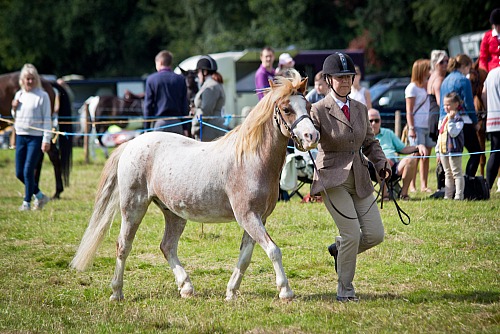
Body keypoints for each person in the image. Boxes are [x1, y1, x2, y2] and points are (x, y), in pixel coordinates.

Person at [310, 53, 390, 302]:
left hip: (359, 175)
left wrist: (381, 162)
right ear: (328, 80)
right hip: (332, 178)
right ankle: (345, 291)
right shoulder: (318, 109)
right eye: (339, 77)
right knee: (352, 234)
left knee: (375, 234)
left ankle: (340, 249)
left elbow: (369, 141)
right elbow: (306, 138)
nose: (345, 81)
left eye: (348, 77)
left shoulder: (359, 108)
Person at [11, 64, 51, 211]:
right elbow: (16, 117)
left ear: (36, 79)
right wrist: (13, 108)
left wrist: (46, 139)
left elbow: (47, 119)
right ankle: (40, 196)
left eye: (32, 78)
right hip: (21, 135)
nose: (29, 81)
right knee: (19, 173)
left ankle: (26, 202)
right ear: (22, 79)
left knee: (28, 170)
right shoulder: (19, 95)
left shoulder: (43, 96)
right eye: (27, 79)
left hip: (36, 137)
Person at [368, 108, 426, 200]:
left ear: (380, 121)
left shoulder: (388, 133)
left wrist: (418, 147)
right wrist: (382, 160)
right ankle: (385, 195)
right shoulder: (363, 136)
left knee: (410, 160)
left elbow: (403, 149)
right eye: (370, 121)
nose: (374, 123)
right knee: (381, 161)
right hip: (373, 169)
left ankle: (404, 194)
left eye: (377, 120)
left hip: (393, 166)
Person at [440, 54, 481, 177]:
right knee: (476, 152)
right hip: (462, 121)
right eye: (469, 68)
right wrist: (475, 121)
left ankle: (444, 185)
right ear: (464, 66)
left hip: (445, 121)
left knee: (449, 155)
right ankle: (469, 180)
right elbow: (468, 104)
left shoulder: (445, 80)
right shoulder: (464, 80)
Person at [144, 50, 190, 136]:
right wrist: (185, 128)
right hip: (177, 124)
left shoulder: (151, 79)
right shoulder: (180, 79)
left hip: (160, 124)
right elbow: (184, 105)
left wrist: (147, 128)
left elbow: (148, 106)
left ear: (160, 62)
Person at [405, 59, 433, 193]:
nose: (429, 71)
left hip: (428, 125)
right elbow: (409, 110)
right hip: (417, 126)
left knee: (426, 157)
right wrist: (411, 128)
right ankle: (412, 185)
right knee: (415, 157)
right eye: (428, 68)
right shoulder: (412, 88)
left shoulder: (427, 85)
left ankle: (424, 184)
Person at [437, 92, 465, 200]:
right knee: (447, 173)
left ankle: (459, 195)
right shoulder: (443, 119)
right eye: (444, 105)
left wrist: (451, 120)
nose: (446, 107)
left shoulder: (458, 119)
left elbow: (453, 132)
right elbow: (440, 134)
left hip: (454, 150)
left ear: (456, 104)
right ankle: (448, 196)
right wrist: (438, 150)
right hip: (444, 150)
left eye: (448, 104)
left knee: (457, 172)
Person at [191, 55, 226, 141]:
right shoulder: (212, 84)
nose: (198, 75)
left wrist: (194, 127)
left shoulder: (211, 86)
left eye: (198, 72)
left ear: (205, 72)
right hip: (210, 128)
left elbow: (205, 110)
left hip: (209, 131)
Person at [482, 66, 500, 190]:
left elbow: (483, 95)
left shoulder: (491, 73)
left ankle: (488, 186)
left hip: (493, 118)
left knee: (494, 152)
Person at [479, 8, 500, 72]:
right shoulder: (487, 36)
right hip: (493, 70)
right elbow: (482, 57)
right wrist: (484, 71)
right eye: (497, 25)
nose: (498, 27)